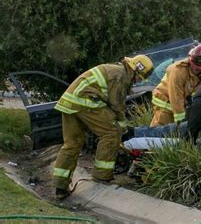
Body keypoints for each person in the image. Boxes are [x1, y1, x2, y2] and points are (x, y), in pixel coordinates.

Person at [53, 55, 154, 199]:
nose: (138, 81)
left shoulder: (115, 70)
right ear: (135, 70)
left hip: (70, 102)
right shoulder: (121, 76)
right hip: (87, 102)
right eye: (139, 77)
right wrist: (124, 128)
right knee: (111, 133)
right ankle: (101, 176)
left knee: (72, 144)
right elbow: (116, 104)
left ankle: (60, 187)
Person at [150, 44, 201, 127]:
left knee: (174, 133)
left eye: (200, 68)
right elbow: (176, 96)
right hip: (165, 102)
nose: (196, 70)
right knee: (159, 132)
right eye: (195, 66)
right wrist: (181, 122)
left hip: (181, 104)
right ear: (190, 59)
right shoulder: (178, 71)